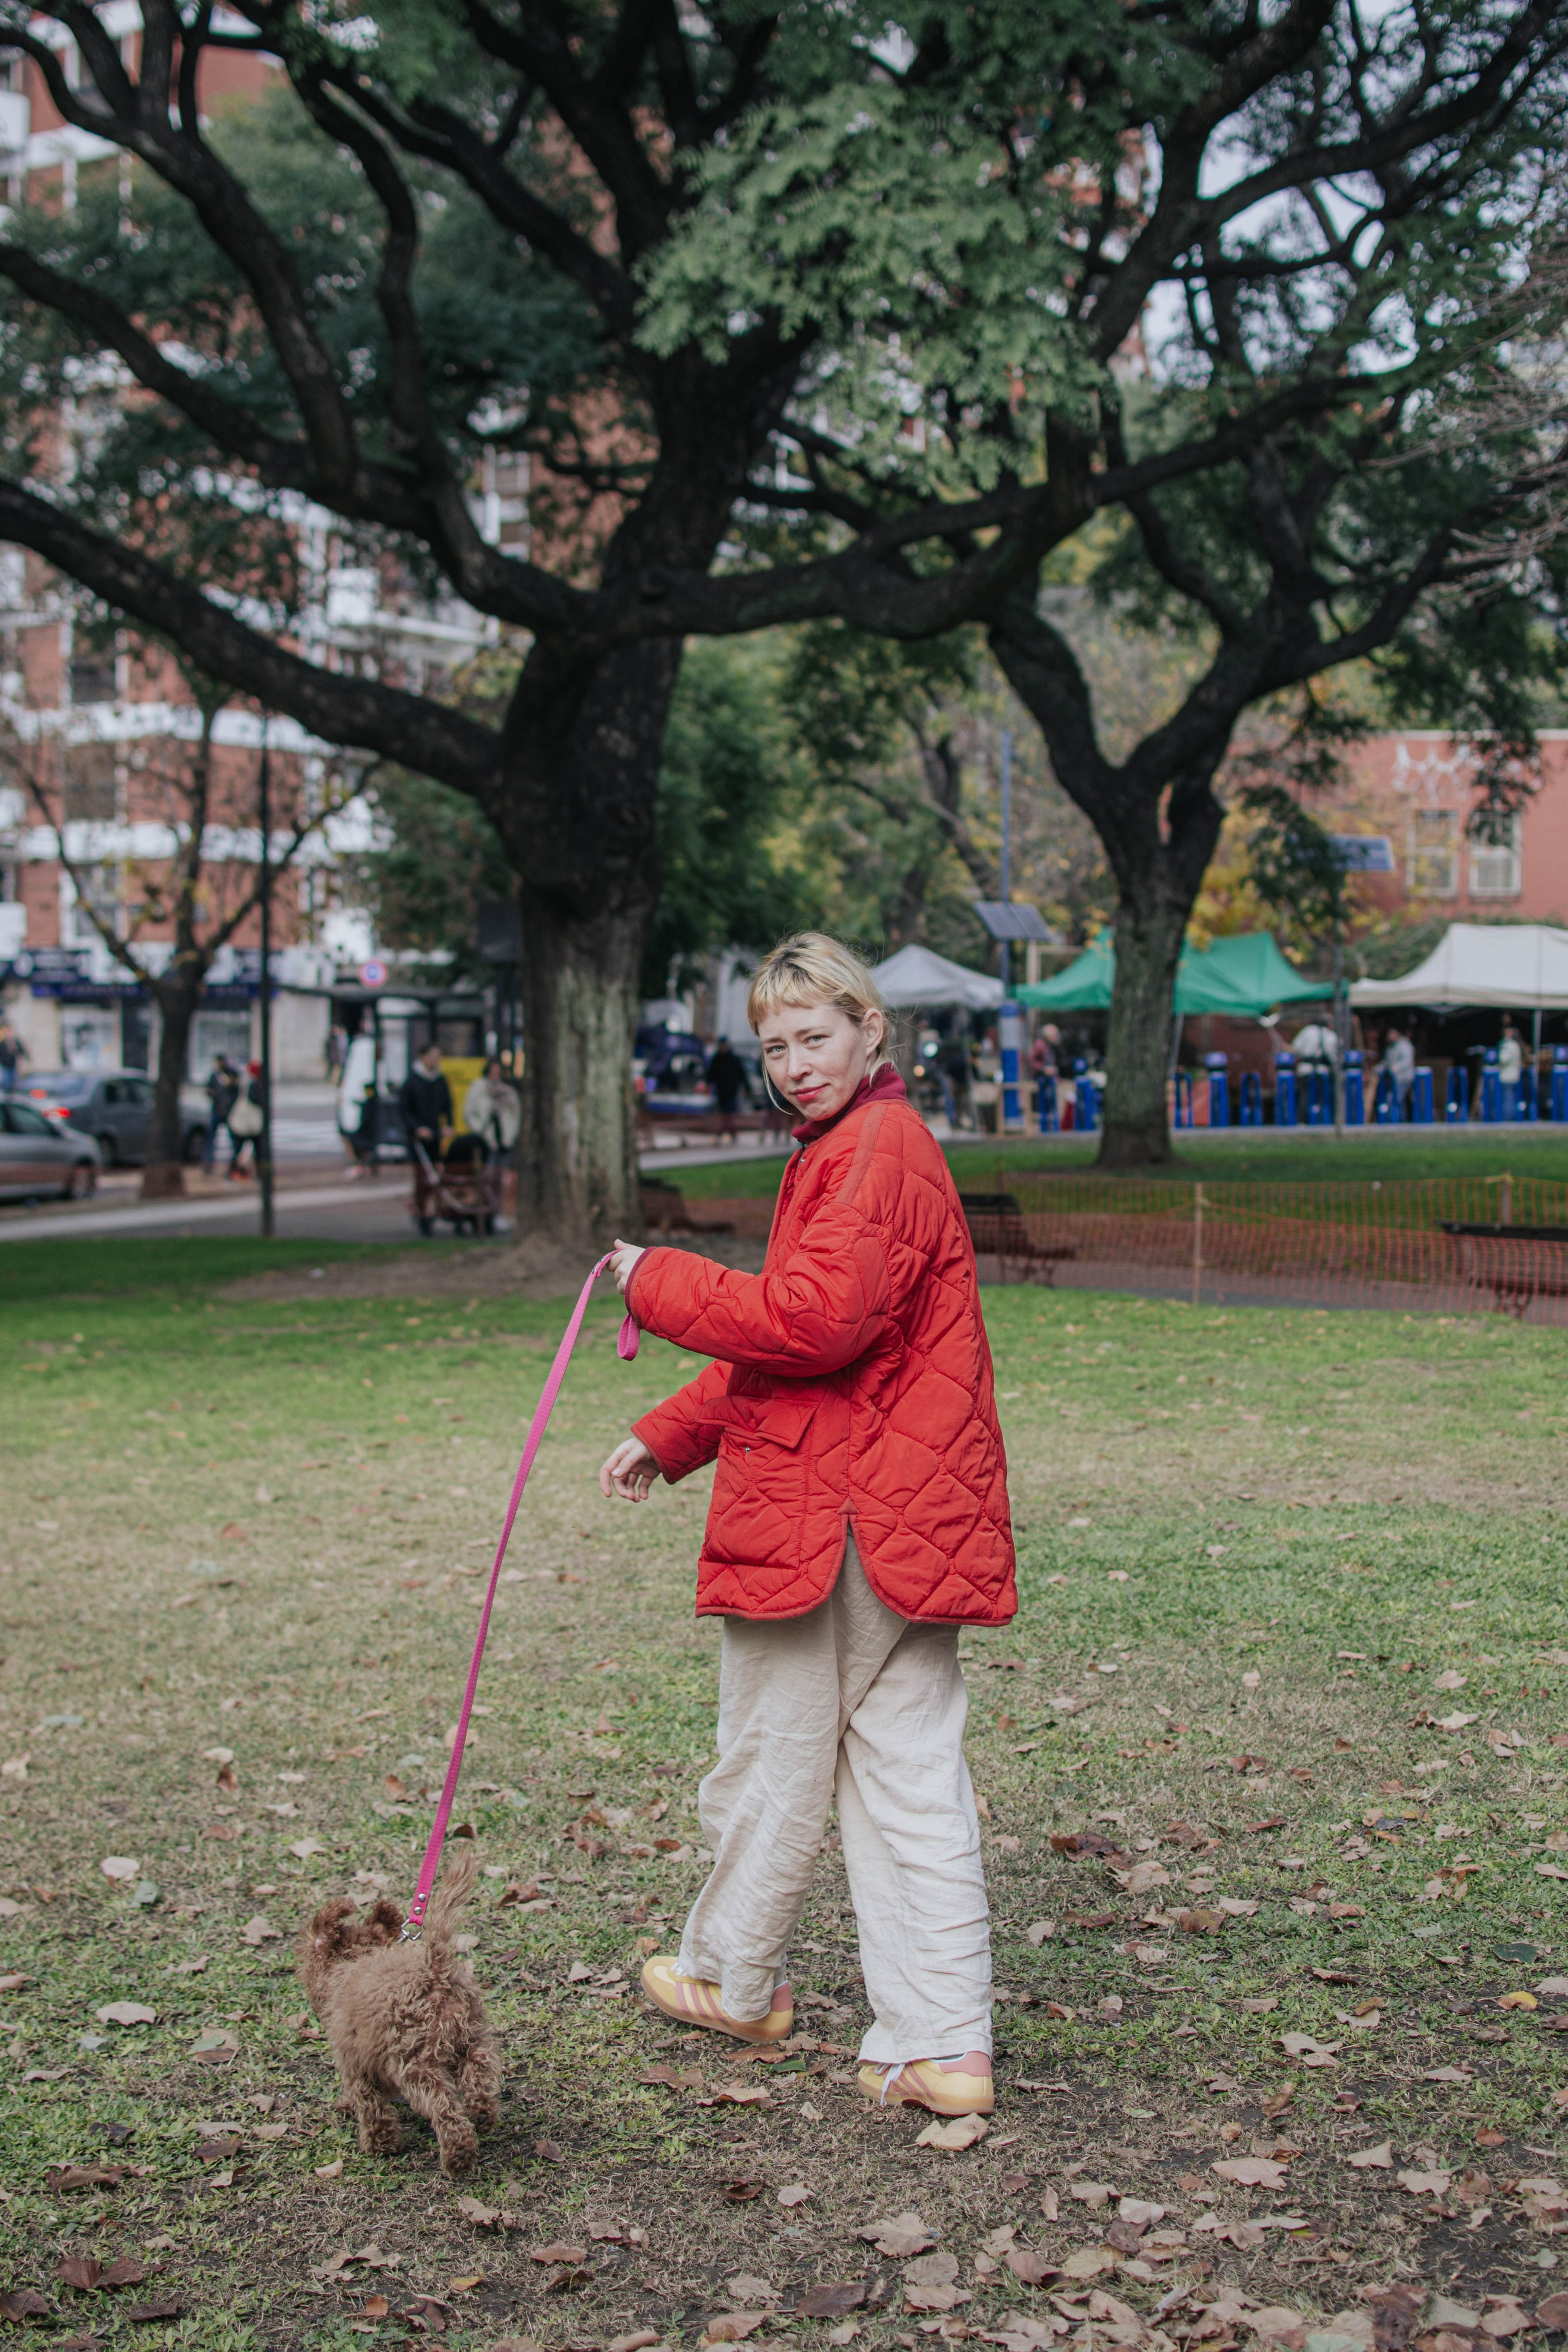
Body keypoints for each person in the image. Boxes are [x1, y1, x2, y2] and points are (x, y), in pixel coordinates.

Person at [598, 932, 1014, 2120]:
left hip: (842, 1519)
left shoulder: (872, 1150)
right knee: (904, 1779)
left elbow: (811, 1324)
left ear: (870, 1031)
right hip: (894, 1509)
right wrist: (673, 1434)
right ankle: (943, 2045)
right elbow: (808, 1354)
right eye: (773, 1046)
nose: (792, 1064)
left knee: (774, 1764)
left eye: (813, 1037)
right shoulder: (853, 1149)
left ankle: (734, 1981)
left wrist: (655, 1280)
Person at [401, 1042, 453, 1235]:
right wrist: (417, 1129)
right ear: (423, 1057)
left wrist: (448, 1124)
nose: (436, 1061)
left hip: (435, 1135)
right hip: (418, 1138)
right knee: (421, 1176)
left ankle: (430, 1209)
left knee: (435, 1174)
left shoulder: (439, 1080)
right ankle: (421, 1210)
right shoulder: (413, 1081)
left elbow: (448, 1104)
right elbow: (405, 1110)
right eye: (433, 1056)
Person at [462, 1056, 520, 1216]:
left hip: (504, 1140)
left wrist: (511, 1135)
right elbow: (469, 1113)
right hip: (487, 1140)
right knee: (487, 1177)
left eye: (499, 1072)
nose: (496, 1076)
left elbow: (515, 1115)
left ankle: (498, 1212)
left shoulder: (508, 1092)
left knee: (501, 1180)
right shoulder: (479, 1089)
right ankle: (484, 1213)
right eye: (493, 1072)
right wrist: (480, 1129)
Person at [226, 1059, 265, 1179]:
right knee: (250, 1150)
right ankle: (237, 1172)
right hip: (247, 1123)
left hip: (243, 1123)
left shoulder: (245, 1083)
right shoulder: (252, 1085)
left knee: (246, 1150)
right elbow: (256, 1100)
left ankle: (239, 1172)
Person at [203, 1054, 239, 1172]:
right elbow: (208, 1090)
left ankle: (234, 1164)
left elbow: (236, 1089)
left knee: (233, 1140)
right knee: (211, 1139)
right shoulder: (214, 1075)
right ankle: (209, 1164)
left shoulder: (231, 1074)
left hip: (229, 1111)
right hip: (217, 1110)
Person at [707, 1036, 746, 1140]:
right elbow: (711, 1074)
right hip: (721, 1091)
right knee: (721, 1113)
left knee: (731, 1113)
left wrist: (747, 1087)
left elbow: (741, 1074)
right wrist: (708, 1084)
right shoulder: (717, 1059)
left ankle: (732, 1132)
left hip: (732, 1091)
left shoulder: (733, 1059)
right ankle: (721, 1132)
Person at [1384, 1025, 1415, 1118]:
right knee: (1399, 1102)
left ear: (1397, 1034)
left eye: (1391, 1034)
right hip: (1394, 1079)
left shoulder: (1405, 1045)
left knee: (1394, 1099)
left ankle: (1397, 1122)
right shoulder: (1391, 1047)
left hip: (1403, 1078)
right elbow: (1386, 1062)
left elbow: (1407, 1061)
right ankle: (1401, 1122)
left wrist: (1396, 1067)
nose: (1389, 1036)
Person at [0, 1020, 26, 1095]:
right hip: (5, 1065)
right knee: (5, 1083)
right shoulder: (2, 1042)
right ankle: (6, 1095)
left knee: (14, 1083)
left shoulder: (15, 1041)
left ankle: (12, 1095)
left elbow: (21, 1051)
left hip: (13, 1065)